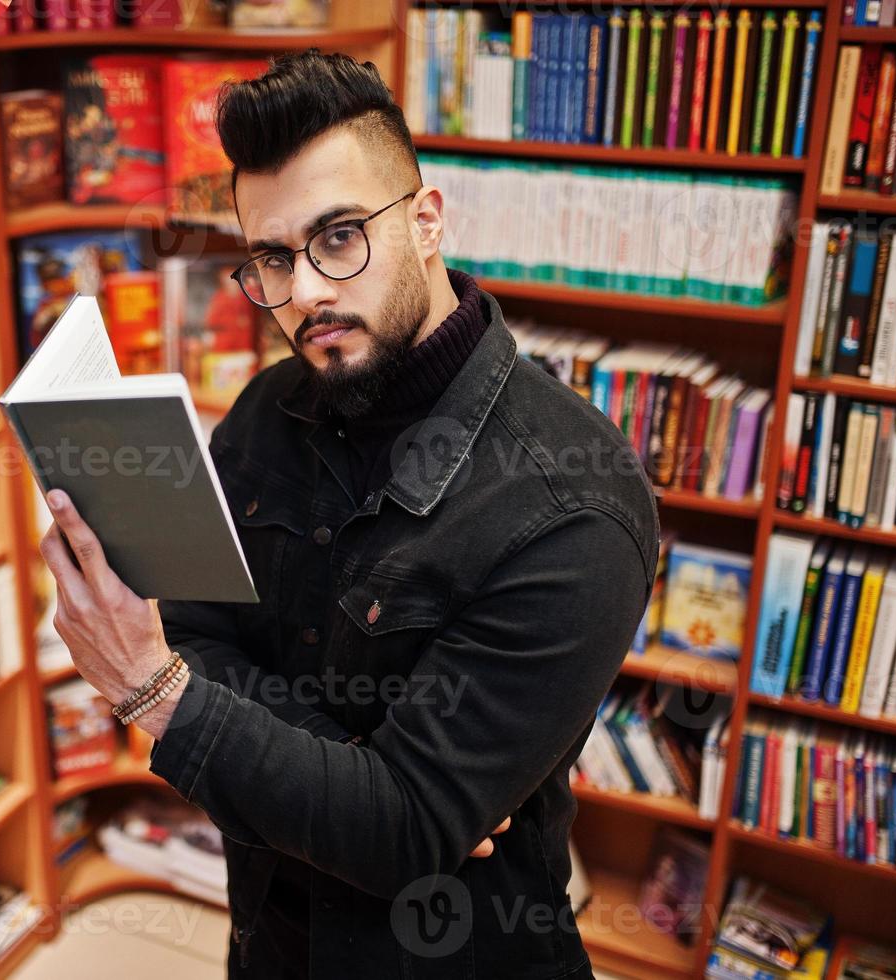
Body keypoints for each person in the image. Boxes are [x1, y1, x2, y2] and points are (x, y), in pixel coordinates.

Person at [38, 50, 659, 979]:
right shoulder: (263, 409)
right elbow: (200, 635)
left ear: (426, 221)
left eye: (338, 238)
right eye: (273, 258)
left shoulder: (573, 504)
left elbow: (399, 838)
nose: (307, 293)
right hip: (267, 943)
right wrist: (365, 786)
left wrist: (159, 696)